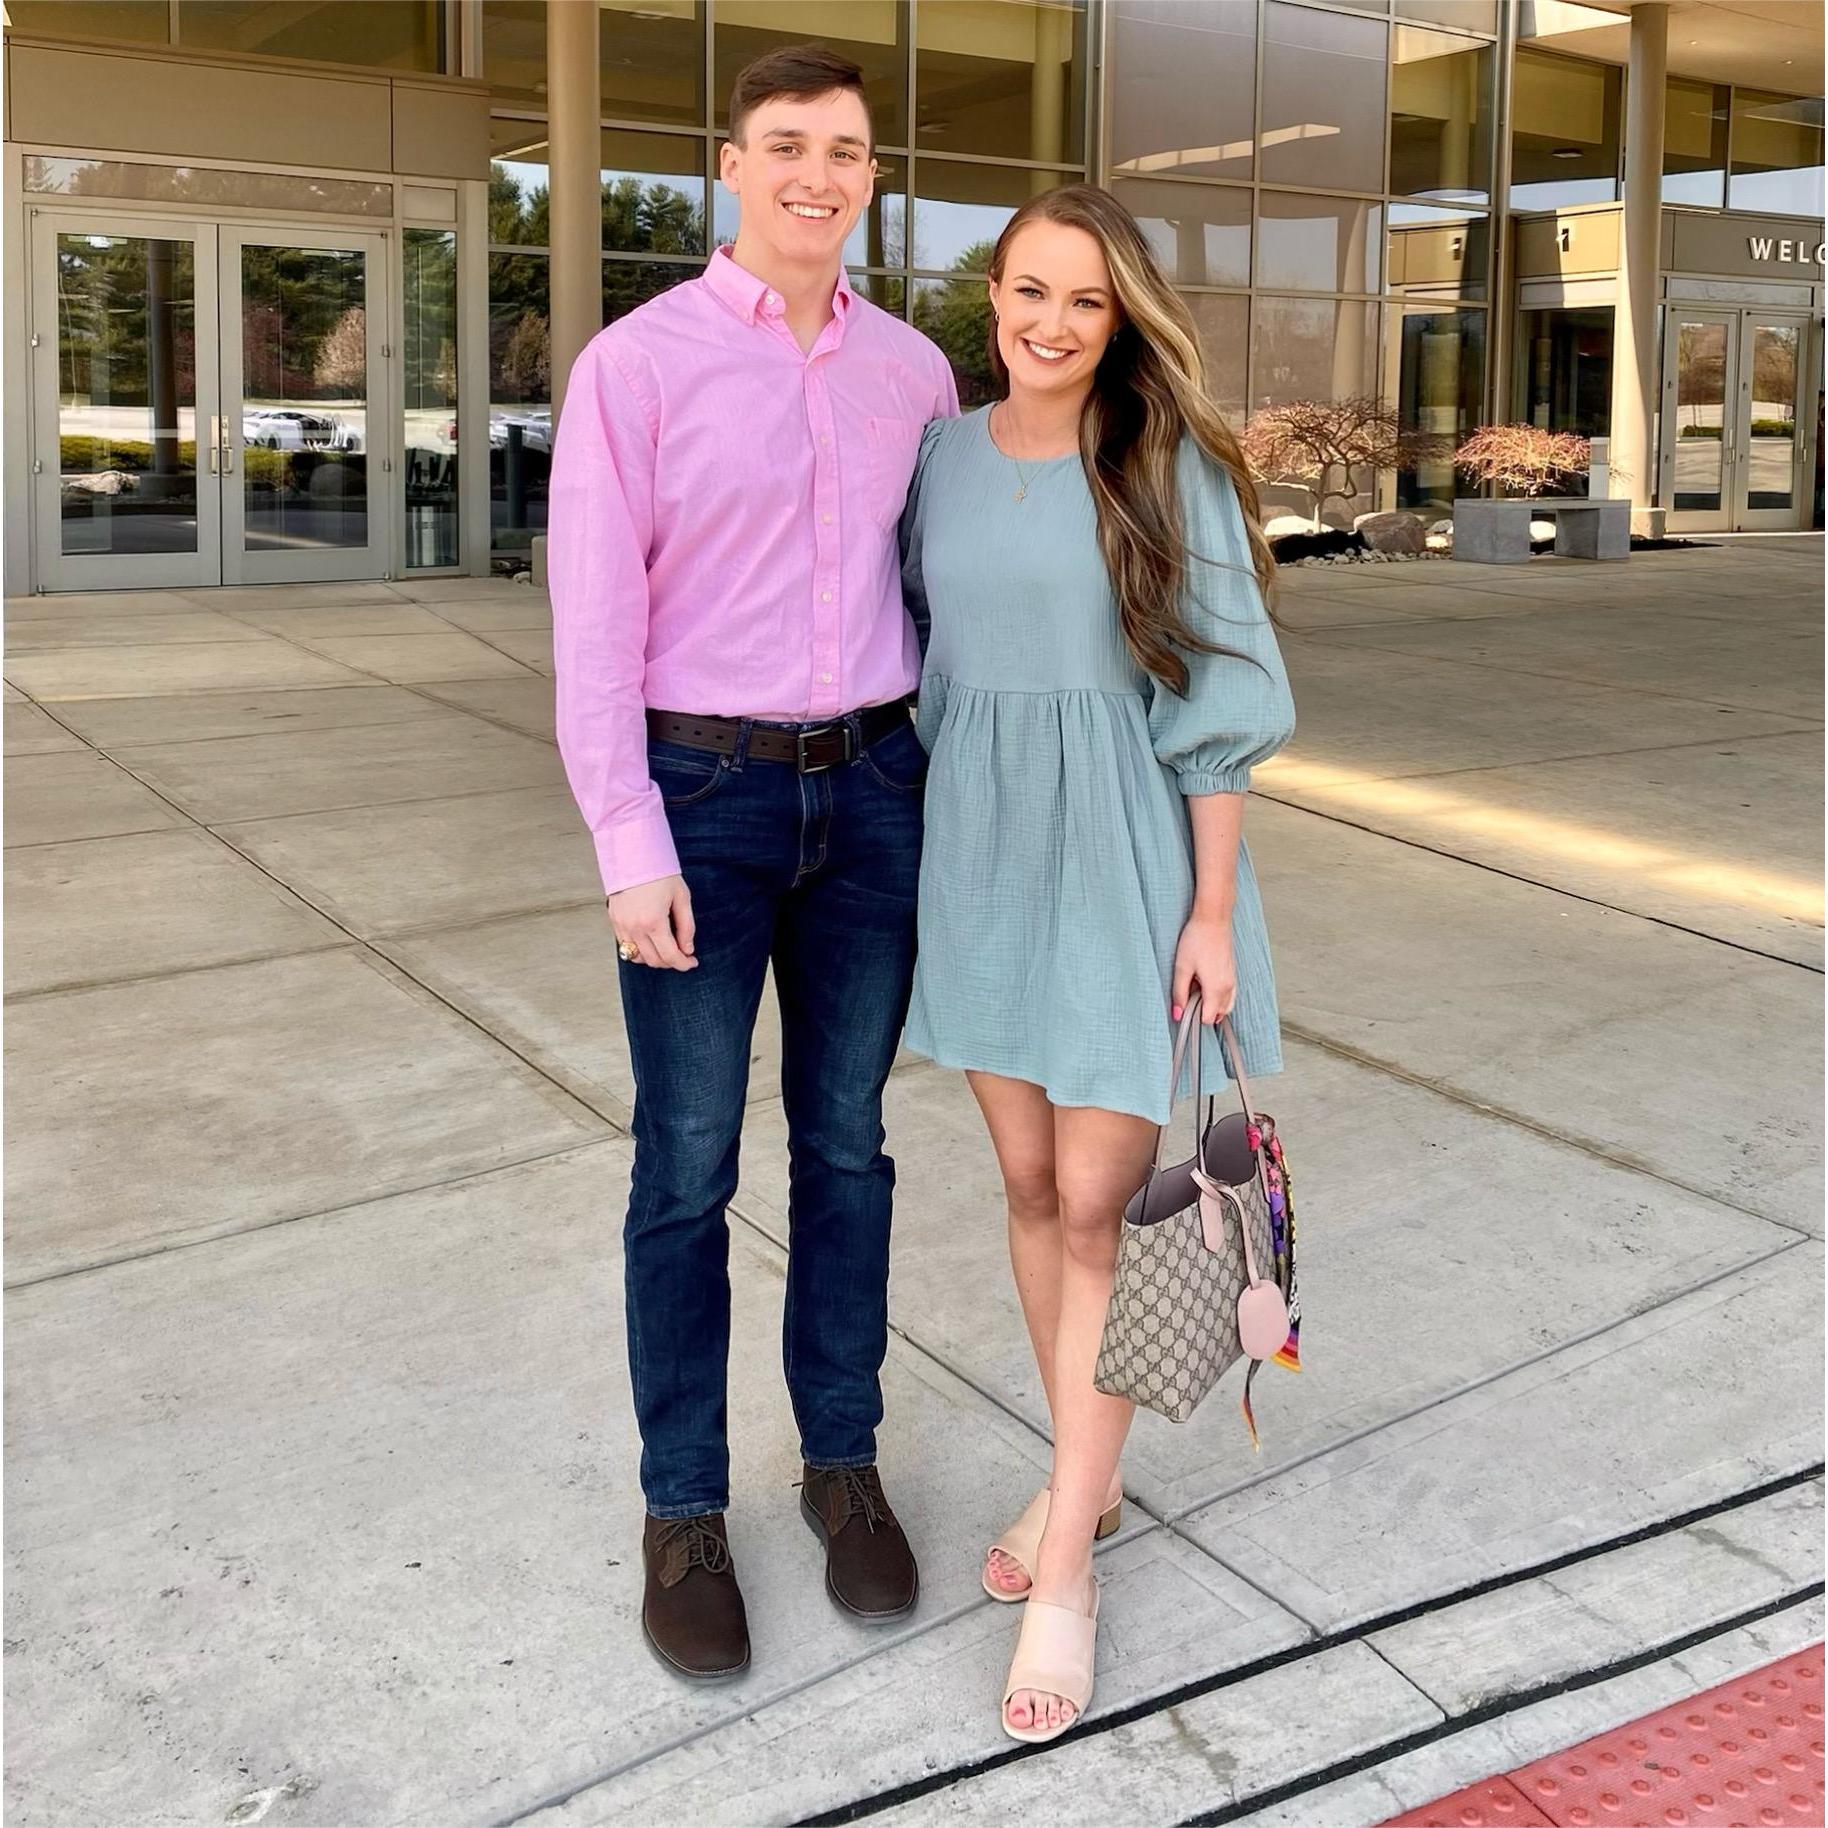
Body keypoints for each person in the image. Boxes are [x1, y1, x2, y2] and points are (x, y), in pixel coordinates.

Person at [549, 44, 958, 1684]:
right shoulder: (637, 366)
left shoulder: (914, 374)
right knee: (688, 1165)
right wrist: (626, 840)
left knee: (848, 1148)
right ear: (730, 167)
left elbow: (939, 598)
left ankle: (842, 1465)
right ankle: (683, 1509)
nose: (817, 173)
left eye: (845, 149)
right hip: (699, 801)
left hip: (873, 796)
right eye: (786, 144)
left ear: (871, 175)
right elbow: (595, 625)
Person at [897, 184, 1295, 1743]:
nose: (1051, 324)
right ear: (990, 297)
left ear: (1121, 319)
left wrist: (1211, 909)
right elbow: (923, 647)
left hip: (1129, 858)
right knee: (1023, 1185)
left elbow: (1219, 694)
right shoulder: (940, 456)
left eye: (1085, 300)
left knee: (1098, 1208)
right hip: (980, 851)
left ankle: (1066, 1560)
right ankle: (1089, 1476)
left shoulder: (1163, 461)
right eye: (1029, 291)